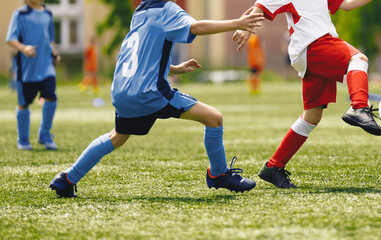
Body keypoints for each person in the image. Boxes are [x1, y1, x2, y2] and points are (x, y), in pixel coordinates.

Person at [49, 0, 264, 198]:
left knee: (117, 137)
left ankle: (67, 178)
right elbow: (196, 27)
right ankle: (218, 175)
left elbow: (140, 55)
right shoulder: (166, 9)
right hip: (150, 92)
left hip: (122, 91)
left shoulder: (140, 12)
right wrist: (238, 22)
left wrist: (173, 68)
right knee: (214, 119)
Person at [233, 0, 381, 188]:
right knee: (358, 59)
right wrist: (246, 28)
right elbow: (262, 5)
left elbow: (346, 4)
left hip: (311, 50)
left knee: (311, 116)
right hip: (314, 45)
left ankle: (273, 167)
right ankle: (359, 107)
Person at [6, 0, 61, 150]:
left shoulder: (48, 13)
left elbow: (50, 39)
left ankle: (44, 134)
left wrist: (55, 54)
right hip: (27, 70)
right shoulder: (20, 14)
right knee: (24, 103)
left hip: (46, 66)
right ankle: (23, 140)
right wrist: (24, 49)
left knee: (51, 96)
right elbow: (11, 38)